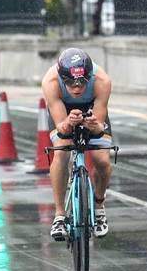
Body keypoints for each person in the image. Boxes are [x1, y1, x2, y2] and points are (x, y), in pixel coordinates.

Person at [43, 47, 115, 241]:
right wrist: (67, 123)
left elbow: (99, 128)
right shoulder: (51, 82)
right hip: (63, 111)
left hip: (92, 110)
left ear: (89, 76)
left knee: (102, 160)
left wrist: (94, 125)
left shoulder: (102, 81)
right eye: (70, 83)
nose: (76, 87)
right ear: (61, 78)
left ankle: (99, 207)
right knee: (61, 154)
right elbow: (62, 129)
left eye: (82, 82)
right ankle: (59, 215)